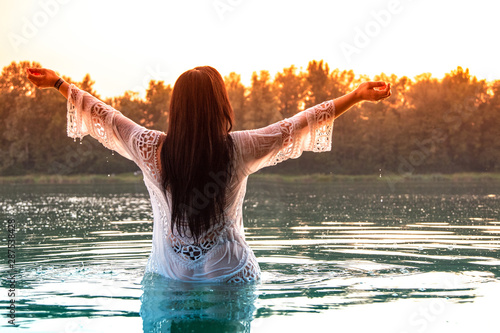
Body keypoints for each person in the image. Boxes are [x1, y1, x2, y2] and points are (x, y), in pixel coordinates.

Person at [26, 66, 391, 283]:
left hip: (172, 275)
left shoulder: (149, 146)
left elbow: (103, 114)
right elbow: (299, 124)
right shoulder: (241, 147)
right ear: (221, 105)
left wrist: (59, 84)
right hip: (231, 271)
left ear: (176, 107)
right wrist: (356, 96)